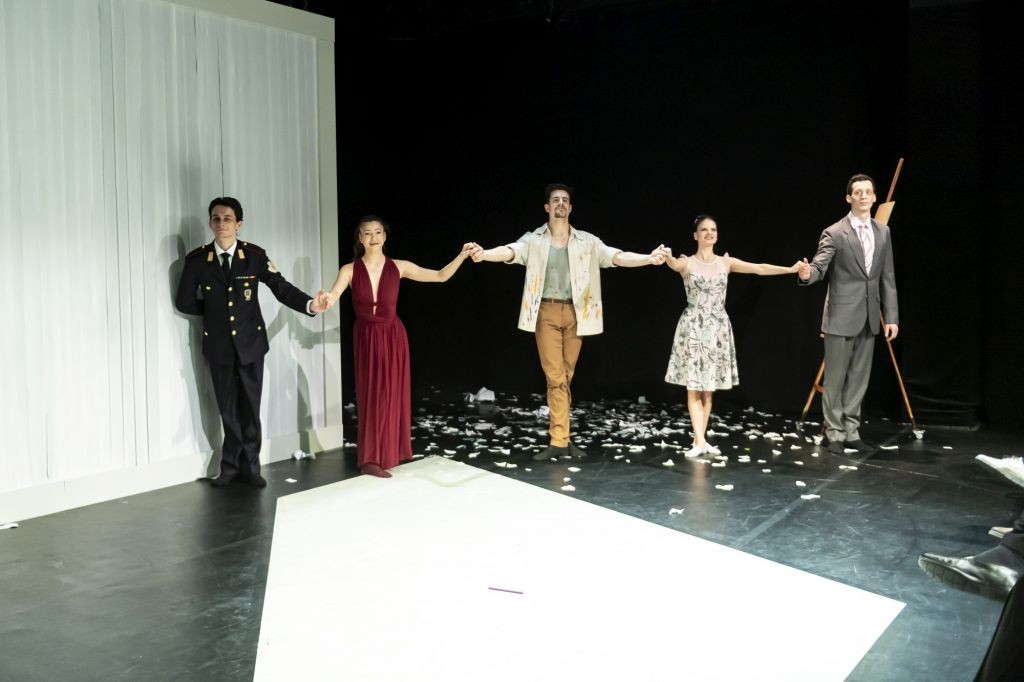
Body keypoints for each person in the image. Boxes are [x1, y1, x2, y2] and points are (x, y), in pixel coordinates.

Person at [470, 183, 665, 462]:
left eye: (564, 200)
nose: (560, 203)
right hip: (546, 312)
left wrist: (649, 258)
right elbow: (510, 251)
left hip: (577, 313)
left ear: (570, 208)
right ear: (547, 207)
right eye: (555, 200)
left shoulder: (587, 242)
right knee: (555, 377)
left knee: (565, 377)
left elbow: (617, 256)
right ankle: (559, 440)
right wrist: (485, 254)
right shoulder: (534, 240)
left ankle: (562, 438)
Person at [176, 197, 330, 487]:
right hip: (218, 346)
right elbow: (184, 301)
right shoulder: (197, 260)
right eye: (216, 218)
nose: (221, 223)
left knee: (250, 405)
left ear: (239, 224)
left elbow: (281, 288)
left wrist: (311, 304)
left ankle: (251, 466)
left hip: (250, 344)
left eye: (227, 218)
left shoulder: (254, 256)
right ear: (210, 222)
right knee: (227, 407)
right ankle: (230, 467)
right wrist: (215, 314)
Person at [324, 216, 476, 478]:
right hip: (367, 337)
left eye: (378, 232)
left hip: (393, 336)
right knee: (371, 395)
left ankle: (389, 454)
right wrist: (327, 298)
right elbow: (335, 293)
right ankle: (370, 459)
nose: (373, 237)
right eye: (367, 233)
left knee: (391, 395)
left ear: (384, 236)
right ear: (360, 238)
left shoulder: (399, 266)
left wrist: (462, 256)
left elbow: (440, 276)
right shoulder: (349, 270)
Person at [663, 215, 802, 457]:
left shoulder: (725, 263)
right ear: (695, 235)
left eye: (713, 229)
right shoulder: (687, 264)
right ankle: (699, 441)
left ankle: (700, 440)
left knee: (708, 389)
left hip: (717, 328)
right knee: (694, 387)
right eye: (704, 230)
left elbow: (759, 268)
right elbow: (674, 263)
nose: (709, 233)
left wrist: (790, 269)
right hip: (694, 327)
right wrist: (667, 257)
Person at [797, 174, 899, 454]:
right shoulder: (835, 232)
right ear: (849, 198)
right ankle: (834, 433)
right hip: (841, 315)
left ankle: (852, 430)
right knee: (836, 378)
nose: (863, 196)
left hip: (869, 314)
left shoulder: (883, 232)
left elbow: (887, 276)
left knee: (858, 378)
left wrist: (891, 316)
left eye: (868, 192)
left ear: (874, 197)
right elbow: (819, 267)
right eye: (858, 192)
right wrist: (807, 274)